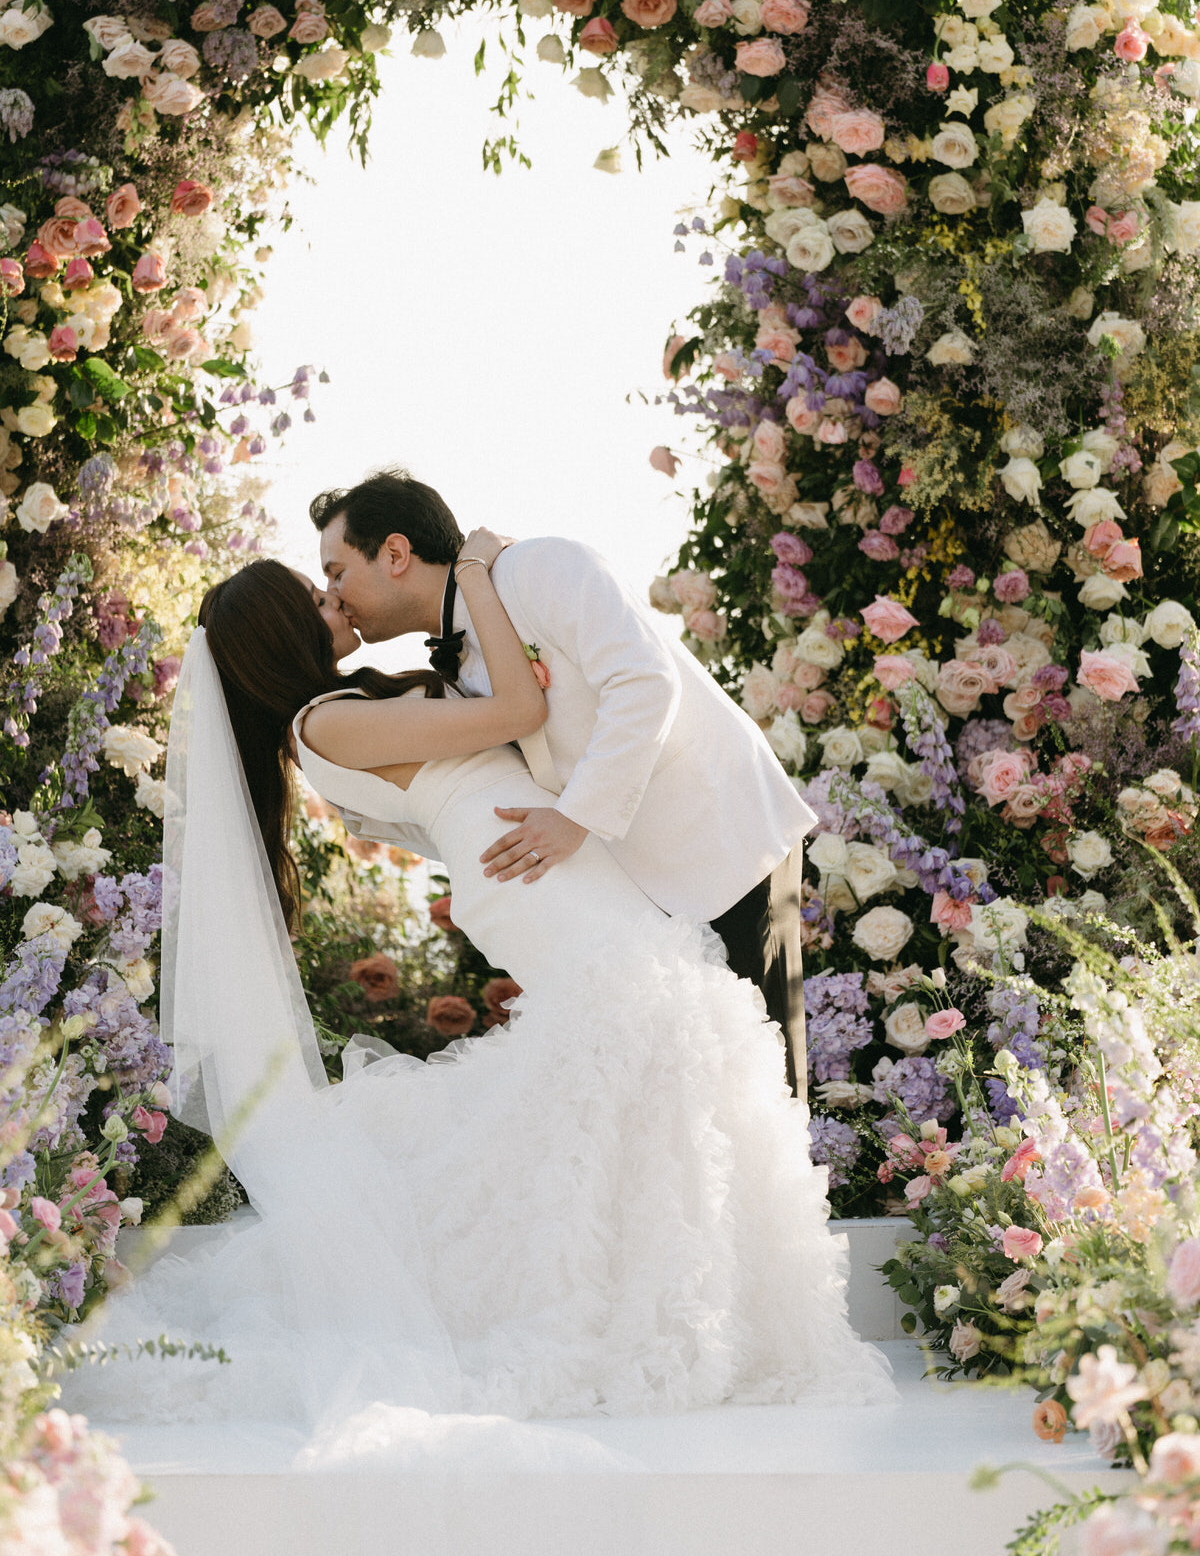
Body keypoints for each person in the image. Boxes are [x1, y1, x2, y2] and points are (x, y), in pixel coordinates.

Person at [62, 543, 891, 1444]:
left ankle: (699, 1306)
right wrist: (480, 582)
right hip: (534, 884)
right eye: (314, 592)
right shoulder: (322, 725)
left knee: (655, 1051)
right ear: (281, 630)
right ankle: (622, 1312)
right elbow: (520, 707)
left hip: (544, 868)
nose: (332, 594)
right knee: (647, 1033)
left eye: (330, 579)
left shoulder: (346, 712)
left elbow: (512, 721)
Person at [311, 471, 816, 1093]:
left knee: (766, 1083)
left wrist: (577, 816)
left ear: (393, 553)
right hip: (637, 890)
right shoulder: (457, 657)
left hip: (721, 842)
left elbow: (644, 681)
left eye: (336, 572)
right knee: (706, 1085)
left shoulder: (538, 567)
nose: (335, 592)